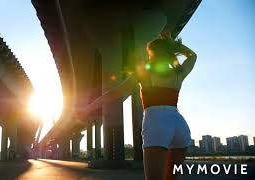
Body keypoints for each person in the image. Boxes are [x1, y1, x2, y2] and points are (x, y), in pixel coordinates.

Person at [75, 31, 197, 180]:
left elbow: (115, 93)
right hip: (180, 125)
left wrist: (89, 107)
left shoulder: (144, 74)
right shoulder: (179, 73)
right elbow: (192, 56)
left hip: (156, 123)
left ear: (152, 54)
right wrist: (172, 41)